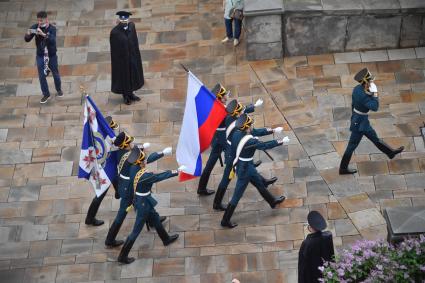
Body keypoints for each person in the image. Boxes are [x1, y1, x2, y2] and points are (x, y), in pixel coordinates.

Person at [221, 114, 288, 228]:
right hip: (245, 169)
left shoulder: (237, 133)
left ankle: (272, 201)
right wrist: (280, 141)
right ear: (247, 127)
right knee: (237, 196)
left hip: (246, 166)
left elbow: (257, 132)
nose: (252, 126)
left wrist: (273, 131)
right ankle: (225, 220)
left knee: (260, 184)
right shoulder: (249, 140)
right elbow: (264, 145)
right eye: (251, 124)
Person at [104, 132, 171, 247]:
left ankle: (154, 222)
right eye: (130, 142)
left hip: (124, 184)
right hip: (129, 188)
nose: (132, 143)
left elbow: (135, 152)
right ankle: (110, 239)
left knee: (146, 207)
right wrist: (162, 153)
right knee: (123, 212)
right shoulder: (129, 156)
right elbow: (144, 160)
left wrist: (142, 147)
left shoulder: (122, 151)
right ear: (125, 144)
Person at [117, 147, 181, 264]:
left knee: (155, 218)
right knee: (135, 231)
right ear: (140, 162)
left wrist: (162, 152)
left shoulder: (134, 167)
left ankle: (165, 239)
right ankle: (122, 256)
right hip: (143, 204)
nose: (145, 161)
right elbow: (160, 176)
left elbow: (149, 159)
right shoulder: (144, 176)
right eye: (144, 160)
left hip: (141, 200)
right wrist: (177, 171)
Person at [213, 99, 279, 211]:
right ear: (237, 114)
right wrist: (272, 131)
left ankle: (266, 188)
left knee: (250, 173)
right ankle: (217, 203)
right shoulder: (239, 127)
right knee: (226, 179)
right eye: (240, 111)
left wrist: (253, 106)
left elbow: (242, 111)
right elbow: (256, 132)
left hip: (231, 151)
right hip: (234, 155)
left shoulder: (231, 118)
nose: (242, 111)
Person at [339, 68, 404, 174]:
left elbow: (353, 104)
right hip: (360, 124)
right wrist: (375, 93)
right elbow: (375, 107)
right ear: (365, 82)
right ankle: (343, 168)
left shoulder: (357, 89)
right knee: (352, 146)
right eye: (369, 81)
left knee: (375, 139)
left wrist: (354, 116)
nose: (371, 83)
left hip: (359, 120)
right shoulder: (363, 96)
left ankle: (391, 153)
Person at [85, 116, 120, 226]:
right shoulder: (108, 139)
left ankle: (123, 195)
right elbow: (117, 146)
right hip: (104, 171)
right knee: (100, 195)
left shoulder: (97, 136)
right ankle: (89, 219)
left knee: (121, 186)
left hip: (104, 169)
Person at [25, 11, 63, 104]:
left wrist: (43, 34)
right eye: (38, 20)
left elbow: (52, 40)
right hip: (41, 55)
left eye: (41, 20)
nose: (40, 22)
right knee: (41, 75)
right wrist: (28, 34)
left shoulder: (52, 28)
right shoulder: (35, 27)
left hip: (51, 55)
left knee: (55, 73)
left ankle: (58, 89)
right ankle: (46, 94)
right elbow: (27, 40)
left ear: (46, 19)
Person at [110, 11, 144, 105]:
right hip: (122, 61)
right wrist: (118, 62)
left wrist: (136, 56)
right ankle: (126, 96)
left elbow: (135, 42)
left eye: (126, 19)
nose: (124, 20)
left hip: (132, 58)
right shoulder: (115, 33)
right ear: (119, 19)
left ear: (128, 19)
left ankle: (131, 93)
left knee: (132, 76)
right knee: (124, 77)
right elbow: (114, 50)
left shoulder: (132, 27)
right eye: (122, 19)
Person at [298, 211, 335, 283]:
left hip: (312, 278)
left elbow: (302, 268)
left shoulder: (306, 243)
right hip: (327, 276)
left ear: (310, 227)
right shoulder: (327, 237)